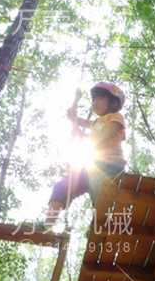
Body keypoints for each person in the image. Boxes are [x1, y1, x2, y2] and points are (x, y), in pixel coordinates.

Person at [46, 82, 126, 225]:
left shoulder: (115, 117)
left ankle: (104, 222)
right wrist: (76, 99)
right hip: (94, 167)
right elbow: (72, 117)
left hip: (111, 165)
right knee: (63, 186)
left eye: (100, 99)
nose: (95, 102)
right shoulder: (95, 123)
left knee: (97, 185)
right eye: (93, 100)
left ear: (113, 103)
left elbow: (103, 137)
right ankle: (48, 225)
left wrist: (82, 135)